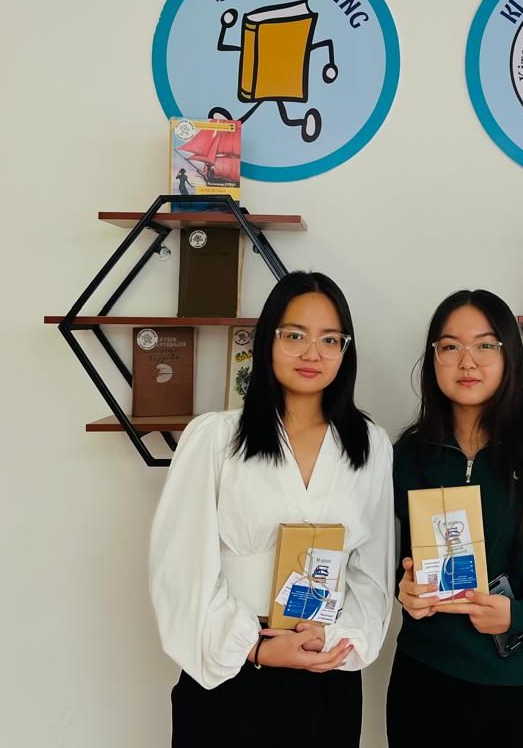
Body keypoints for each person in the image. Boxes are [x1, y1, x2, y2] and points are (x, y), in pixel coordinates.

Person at [149, 271, 394, 748]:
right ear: (268, 341)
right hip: (231, 671)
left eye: (330, 339)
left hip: (325, 671)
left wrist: (337, 639)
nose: (312, 353)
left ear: (346, 350)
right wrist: (253, 647)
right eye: (295, 336)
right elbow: (180, 566)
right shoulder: (216, 437)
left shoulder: (370, 445)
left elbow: (373, 570)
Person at [389, 289, 523, 747]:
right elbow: (395, 554)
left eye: (485, 345)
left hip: (520, 691)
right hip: (423, 680)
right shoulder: (409, 454)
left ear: (510, 355)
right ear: (433, 358)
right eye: (450, 346)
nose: (467, 361)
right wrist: (403, 587)